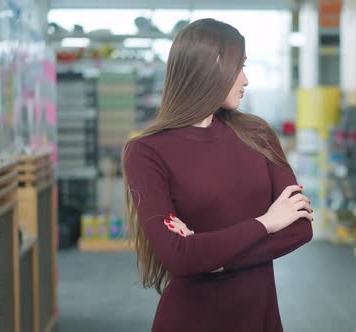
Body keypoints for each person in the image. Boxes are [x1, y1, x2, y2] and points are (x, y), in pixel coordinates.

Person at [122, 19, 314, 332]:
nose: (246, 79)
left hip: (260, 320)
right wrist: (266, 222)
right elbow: (178, 256)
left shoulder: (258, 134)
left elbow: (300, 229)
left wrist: (210, 256)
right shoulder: (146, 152)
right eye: (239, 67)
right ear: (212, 66)